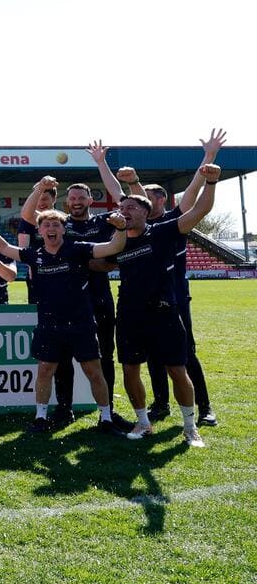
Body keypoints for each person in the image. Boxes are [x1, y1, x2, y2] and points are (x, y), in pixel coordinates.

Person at [102, 163, 221, 447]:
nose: (125, 211)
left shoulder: (163, 231)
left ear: (146, 211)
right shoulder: (117, 241)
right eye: (123, 208)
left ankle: (190, 426)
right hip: (129, 315)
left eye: (131, 207)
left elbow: (200, 210)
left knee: (177, 370)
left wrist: (212, 182)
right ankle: (143, 422)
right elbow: (95, 261)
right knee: (130, 369)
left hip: (164, 312)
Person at [0, 210, 127, 434]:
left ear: (63, 229)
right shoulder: (34, 254)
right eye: (46, 225)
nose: (51, 229)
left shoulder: (78, 249)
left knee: (94, 372)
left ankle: (106, 419)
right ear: (39, 231)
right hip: (49, 324)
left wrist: (121, 228)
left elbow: (113, 247)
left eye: (56, 225)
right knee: (45, 370)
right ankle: (41, 418)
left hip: (80, 323)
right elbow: (5, 249)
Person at [20, 141, 131, 431]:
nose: (77, 201)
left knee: (104, 356)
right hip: (65, 301)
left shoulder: (105, 223)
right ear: (67, 203)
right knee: (61, 360)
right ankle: (64, 410)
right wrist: (40, 188)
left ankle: (108, 413)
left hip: (99, 298)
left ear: (90, 200)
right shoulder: (59, 224)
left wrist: (100, 163)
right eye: (73, 198)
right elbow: (28, 217)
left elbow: (113, 257)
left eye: (82, 197)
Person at [120, 128, 225, 427]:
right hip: (144, 303)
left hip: (176, 297)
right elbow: (128, 199)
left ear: (160, 200)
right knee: (153, 356)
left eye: (147, 197)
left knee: (184, 355)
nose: (140, 201)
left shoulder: (169, 224)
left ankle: (204, 408)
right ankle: (161, 404)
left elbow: (195, 194)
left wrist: (209, 158)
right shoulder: (130, 232)